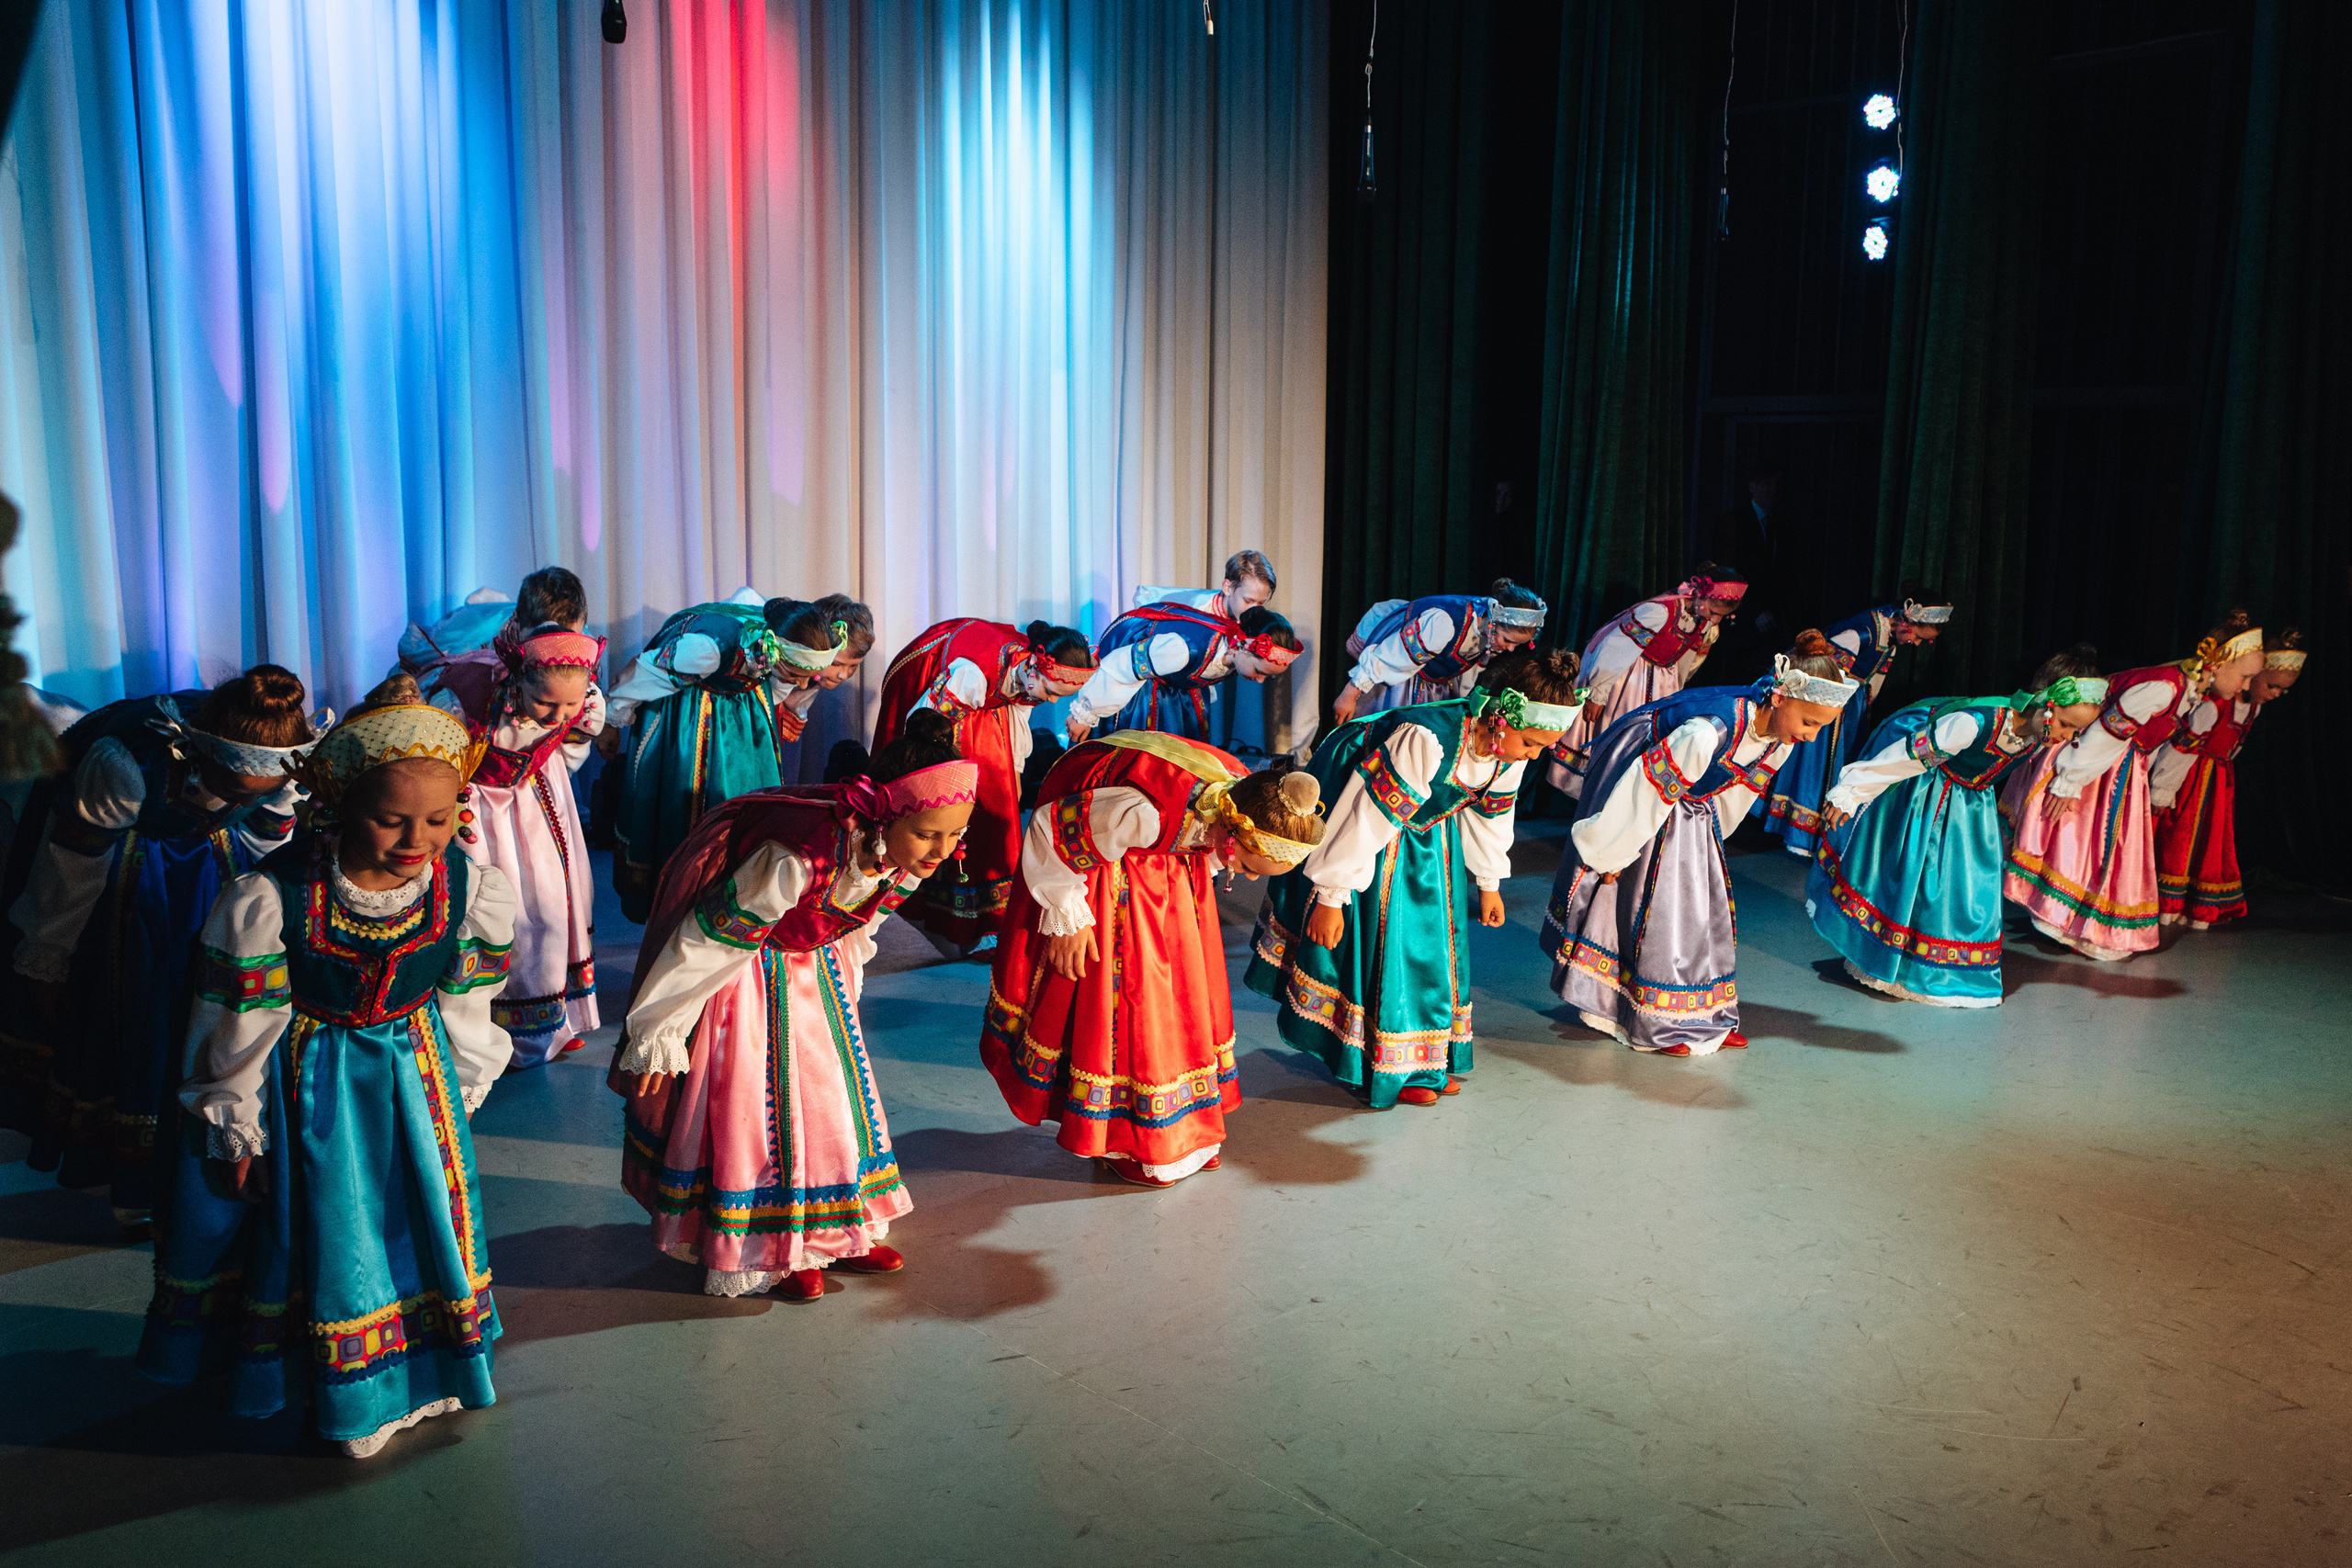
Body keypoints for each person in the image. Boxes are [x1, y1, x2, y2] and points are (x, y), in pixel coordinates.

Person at [137, 676, 516, 1458]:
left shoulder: (467, 886)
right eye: (391, 819)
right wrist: (235, 1122)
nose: (417, 839)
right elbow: (236, 1024)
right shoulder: (271, 896)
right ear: (342, 803)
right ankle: (345, 1390)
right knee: (330, 1232)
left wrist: (466, 1081)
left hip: (414, 1079)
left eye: (438, 819)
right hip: (311, 1085)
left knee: (411, 1223)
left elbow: (469, 996)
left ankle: (416, 1369)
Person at [610, 711, 978, 1303]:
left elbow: (861, 919)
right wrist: (659, 1027)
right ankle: (774, 1243)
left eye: (956, 834)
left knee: (832, 1099)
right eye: (929, 833)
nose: (944, 849)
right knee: (760, 1106)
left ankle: (835, 1227)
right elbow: (708, 942)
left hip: (816, 971)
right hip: (748, 980)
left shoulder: (899, 856)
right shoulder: (795, 858)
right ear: (887, 817)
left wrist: (847, 983)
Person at [0, 667, 323, 1224]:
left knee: (217, 1013)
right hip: (130, 884)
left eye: (255, 794)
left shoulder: (282, 772)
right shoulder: (123, 765)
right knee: (143, 1019)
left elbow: (269, 840)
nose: (236, 800)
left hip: (217, 871)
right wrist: (47, 957)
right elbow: (71, 870)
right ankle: (137, 1183)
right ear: (199, 752)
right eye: (230, 788)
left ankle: (214, 1156)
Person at [980, 736, 1325, 1185]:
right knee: (1130, 1008)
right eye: (1247, 865)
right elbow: (1053, 829)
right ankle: (1125, 1138)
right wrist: (1069, 919)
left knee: (1179, 1002)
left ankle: (1183, 1129)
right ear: (1232, 832)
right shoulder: (1146, 813)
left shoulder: (1244, 797)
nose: (1247, 877)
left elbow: (1200, 843)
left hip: (1171, 880)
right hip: (1114, 883)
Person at [1247, 649, 1580, 1108]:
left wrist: (1489, 882)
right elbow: (1366, 819)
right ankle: (1378, 1063)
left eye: (1543, 746)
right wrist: (1330, 896)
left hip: (1429, 836)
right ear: (1498, 719)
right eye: (1531, 743)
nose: (1534, 755)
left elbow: (1493, 813)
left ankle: (1422, 1061)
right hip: (1377, 836)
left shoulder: (1508, 748)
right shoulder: (1424, 739)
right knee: (1389, 946)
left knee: (1432, 947)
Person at [1542, 633, 1859, 1056]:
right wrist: (1614, 852)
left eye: (1821, 727)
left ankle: (1699, 1014)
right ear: (1780, 698)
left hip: (1690, 803)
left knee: (1700, 909)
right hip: (1644, 791)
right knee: (1654, 909)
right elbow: (1646, 789)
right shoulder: (1708, 732)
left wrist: (1709, 841)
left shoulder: (1779, 740)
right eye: (1810, 723)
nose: (1812, 737)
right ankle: (1651, 1016)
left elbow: (1737, 790)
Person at [1805, 656, 2107, 1007]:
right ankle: (1892, 964)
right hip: (1927, 793)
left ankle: (1941, 969)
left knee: (1965, 885)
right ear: (2046, 705)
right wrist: (1853, 789)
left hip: (1970, 804)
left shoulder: (2035, 735)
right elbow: (1908, 756)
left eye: (2076, 732)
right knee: (1918, 879)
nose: (2068, 737)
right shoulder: (1974, 723)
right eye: (2067, 725)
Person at [2003, 611, 2266, 961]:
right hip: (2100, 765)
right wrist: (2070, 780)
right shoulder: (2164, 687)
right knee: (2078, 844)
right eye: (2245, 676)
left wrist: (2160, 788)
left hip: (2126, 769)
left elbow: (2174, 746)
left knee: (2105, 851)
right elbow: (2108, 732)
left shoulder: (2194, 696)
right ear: (2218, 664)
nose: (2246, 687)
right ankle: (2060, 916)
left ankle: (2076, 922)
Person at [602, 594, 851, 922]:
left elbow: (772, 683)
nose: (804, 684)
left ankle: (740, 900)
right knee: (692, 811)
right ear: (774, 650)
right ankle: (684, 902)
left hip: (743, 711)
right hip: (693, 716)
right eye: (798, 673)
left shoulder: (782, 635)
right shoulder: (707, 650)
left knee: (749, 806)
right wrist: (611, 720)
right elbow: (642, 674)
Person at [423, 626, 607, 1066]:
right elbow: (434, 761)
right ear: (518, 678)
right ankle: (484, 1034)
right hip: (478, 810)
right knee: (492, 915)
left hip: (533, 802)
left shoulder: (580, 700)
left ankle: (547, 1025)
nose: (558, 715)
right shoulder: (462, 701)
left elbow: (572, 742)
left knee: (548, 908)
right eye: (545, 703)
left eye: (569, 705)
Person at [869, 617, 1097, 953]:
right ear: (1033, 668)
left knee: (997, 806)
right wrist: (937, 783)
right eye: (1050, 693)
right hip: (941, 717)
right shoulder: (971, 674)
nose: (1051, 702)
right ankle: (937, 911)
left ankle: (988, 919)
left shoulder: (1028, 678)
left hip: (988, 711)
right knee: (948, 807)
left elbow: (1019, 714)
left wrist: (1015, 774)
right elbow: (925, 723)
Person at [1761, 591, 1953, 859]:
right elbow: (1820, 670)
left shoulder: (1887, 634)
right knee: (1816, 767)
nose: (1917, 643)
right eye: (1919, 637)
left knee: (1835, 767)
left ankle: (1816, 835)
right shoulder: (1863, 633)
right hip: (1828, 706)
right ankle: (1800, 834)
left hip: (1850, 709)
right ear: (1907, 621)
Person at [2150, 627, 2307, 930]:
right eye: (2272, 685)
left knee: (2209, 842)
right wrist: (2163, 789)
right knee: (2178, 836)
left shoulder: (2253, 709)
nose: (2276, 693)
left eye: (2283, 690)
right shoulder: (2215, 705)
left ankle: (2193, 905)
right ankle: (2165, 903)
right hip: (2190, 777)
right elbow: (2181, 749)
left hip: (2218, 780)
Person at [1545, 568, 1746, 800]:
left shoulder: (1702, 621)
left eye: (1722, 616)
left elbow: (1687, 661)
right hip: (1629, 682)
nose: (1715, 619)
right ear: (1701, 594)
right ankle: (1595, 796)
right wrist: (1597, 693)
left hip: (1661, 685)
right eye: (1714, 612)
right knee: (1618, 739)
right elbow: (1613, 649)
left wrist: (1675, 693)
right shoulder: (1659, 612)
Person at [1065, 604, 1301, 743]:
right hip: (1136, 670)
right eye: (1259, 671)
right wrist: (1084, 714)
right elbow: (1122, 666)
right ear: (1241, 646)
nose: (1259, 680)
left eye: (1268, 676)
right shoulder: (1184, 649)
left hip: (1172, 681)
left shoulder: (1235, 656)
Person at [1332, 578, 1549, 723]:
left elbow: (1464, 667)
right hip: (1398, 677)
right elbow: (1391, 657)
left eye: (1517, 645)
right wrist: (1350, 694)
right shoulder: (1444, 624)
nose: (1510, 648)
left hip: (1431, 681)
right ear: (1494, 621)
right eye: (1508, 640)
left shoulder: (1489, 631)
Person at [1709, 459, 1807, 681]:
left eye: (1778, 485)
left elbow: (1788, 578)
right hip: (1740, 621)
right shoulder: (1733, 522)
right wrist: (1753, 611)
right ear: (1753, 487)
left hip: (1773, 625)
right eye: (1767, 484)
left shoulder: (1784, 527)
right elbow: (1726, 574)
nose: (1774, 491)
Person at [1131, 549, 1279, 622]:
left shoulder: (1257, 621)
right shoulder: (1197, 613)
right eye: (1248, 601)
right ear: (1228, 588)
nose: (1254, 610)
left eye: (1260, 603)